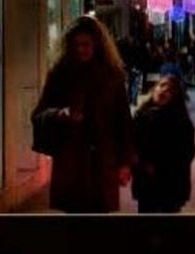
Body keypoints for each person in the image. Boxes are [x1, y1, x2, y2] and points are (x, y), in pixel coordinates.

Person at [31, 15, 136, 213]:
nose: (82, 50)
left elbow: (123, 121)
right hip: (72, 163)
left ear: (97, 44)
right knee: (74, 225)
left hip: (103, 163)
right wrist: (59, 114)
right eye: (77, 45)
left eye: (87, 44)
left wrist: (125, 163)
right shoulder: (60, 74)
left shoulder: (111, 76)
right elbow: (39, 114)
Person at [132, 75, 195, 213]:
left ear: (175, 96)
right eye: (162, 85)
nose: (163, 90)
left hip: (170, 184)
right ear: (154, 89)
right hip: (146, 183)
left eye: (170, 89)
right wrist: (142, 163)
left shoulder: (181, 122)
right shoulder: (142, 116)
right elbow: (133, 146)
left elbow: (187, 153)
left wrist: (162, 167)